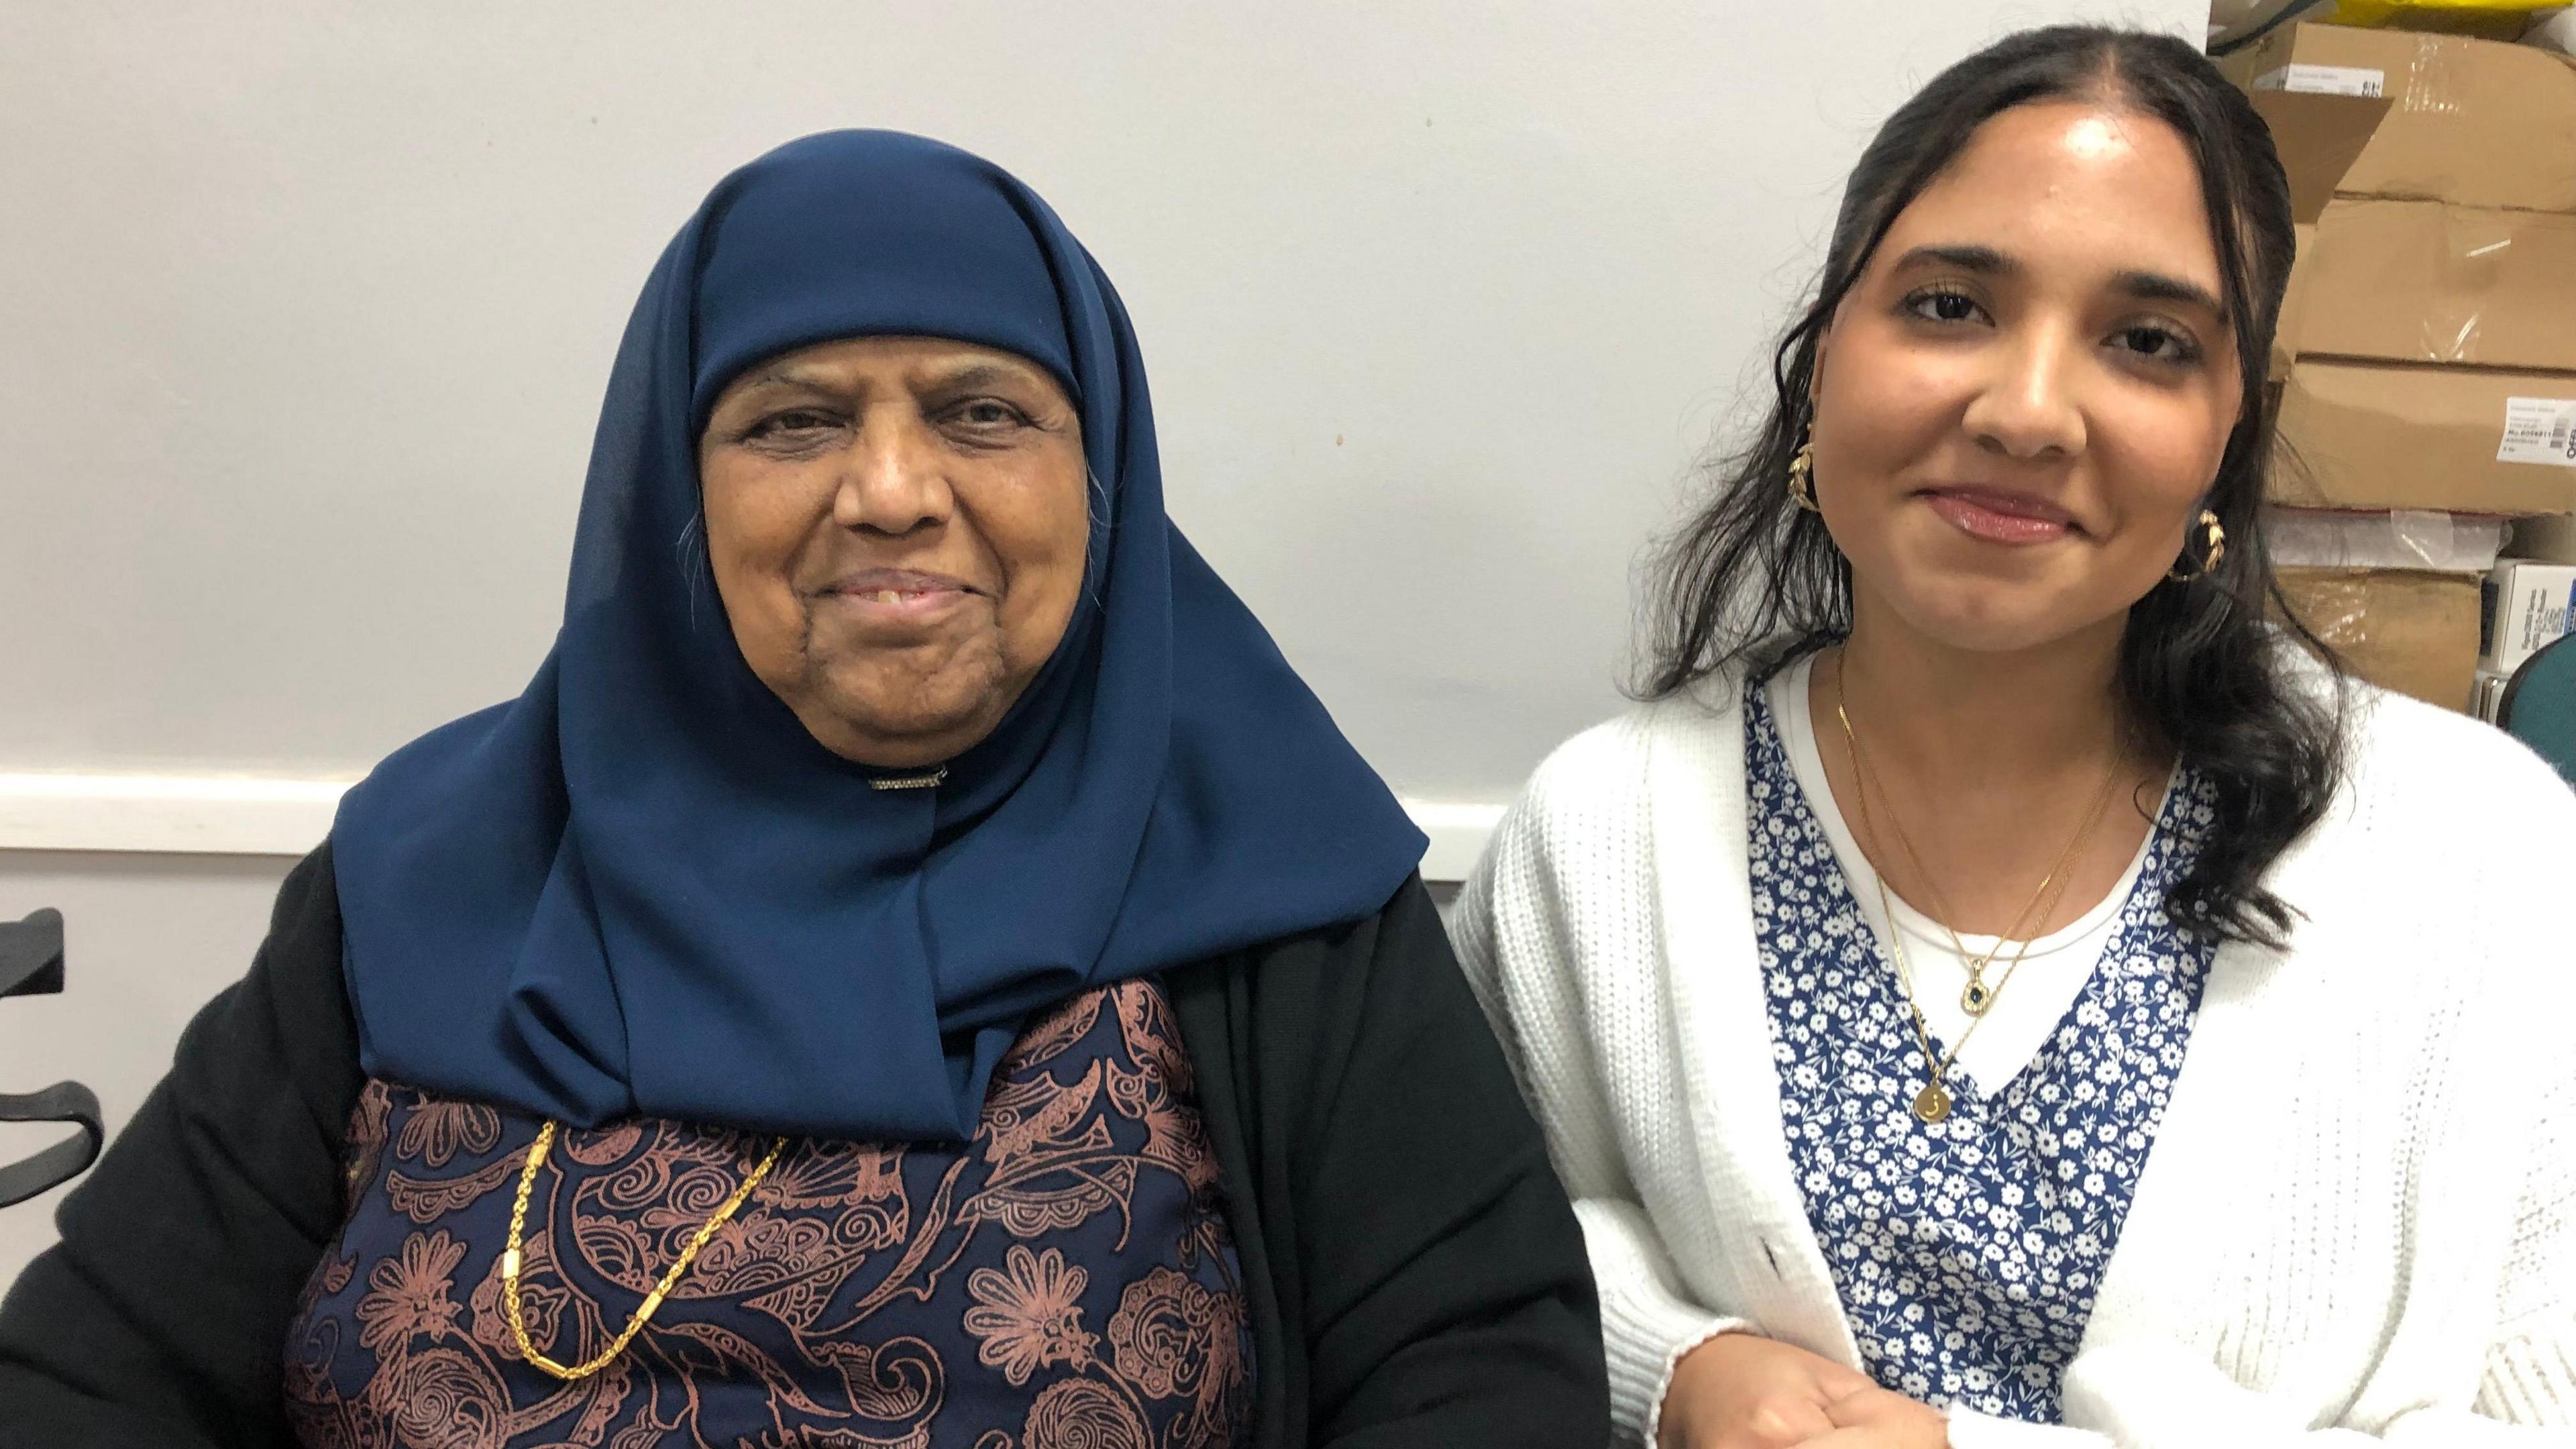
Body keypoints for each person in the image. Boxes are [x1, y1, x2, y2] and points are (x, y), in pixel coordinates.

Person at [0, 130, 1608, 1449]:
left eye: (984, 412)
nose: (894, 493)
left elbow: (1479, 1378)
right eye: (793, 421)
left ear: (1098, 469)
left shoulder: (1275, 879)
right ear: (676, 491)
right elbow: (85, 1379)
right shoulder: (423, 871)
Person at [1454, 25, 2575, 1449]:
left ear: (2231, 427)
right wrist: (1670, 1370)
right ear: (1823, 359)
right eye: (1947, 307)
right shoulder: (1601, 836)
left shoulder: (2486, 856)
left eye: (2148, 341)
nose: (2028, 412)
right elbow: (1475, 1254)